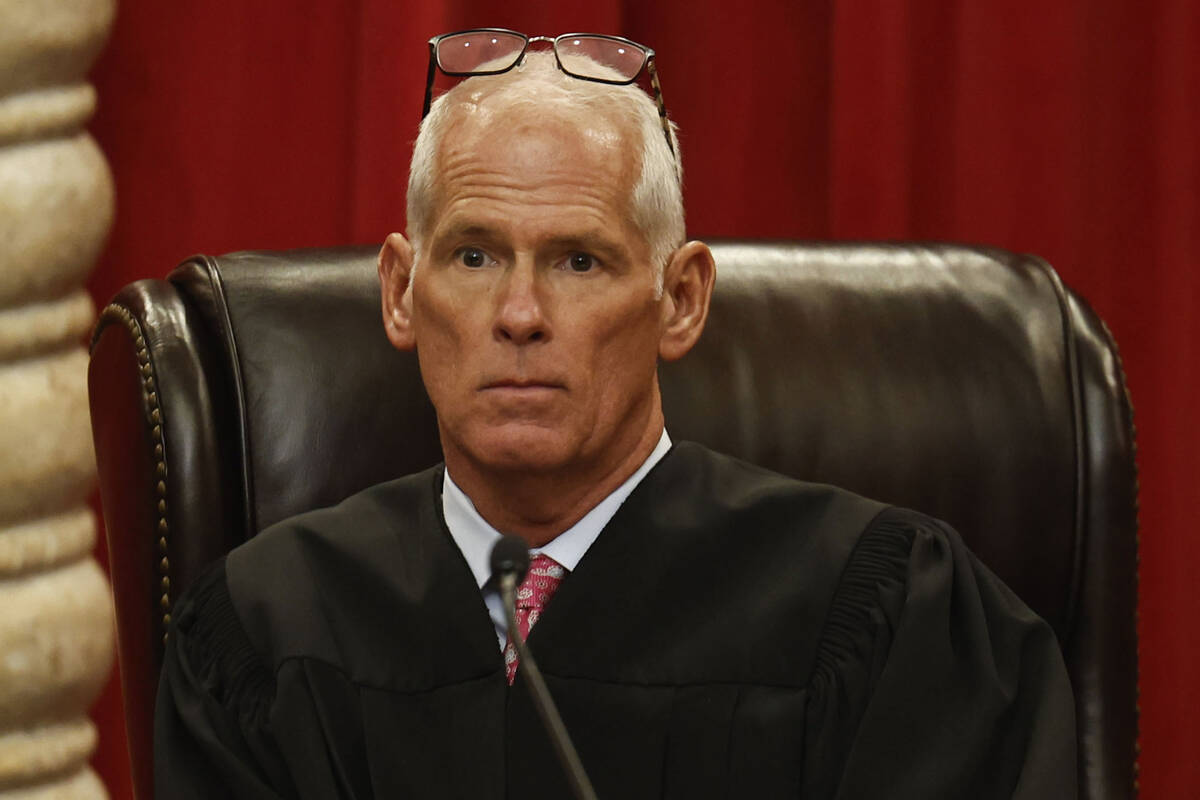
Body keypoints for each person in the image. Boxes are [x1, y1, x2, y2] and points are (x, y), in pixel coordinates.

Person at [155, 31, 1076, 799]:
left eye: (579, 262)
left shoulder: (886, 619)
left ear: (679, 299)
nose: (520, 315)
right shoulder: (265, 633)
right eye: (474, 257)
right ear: (400, 292)